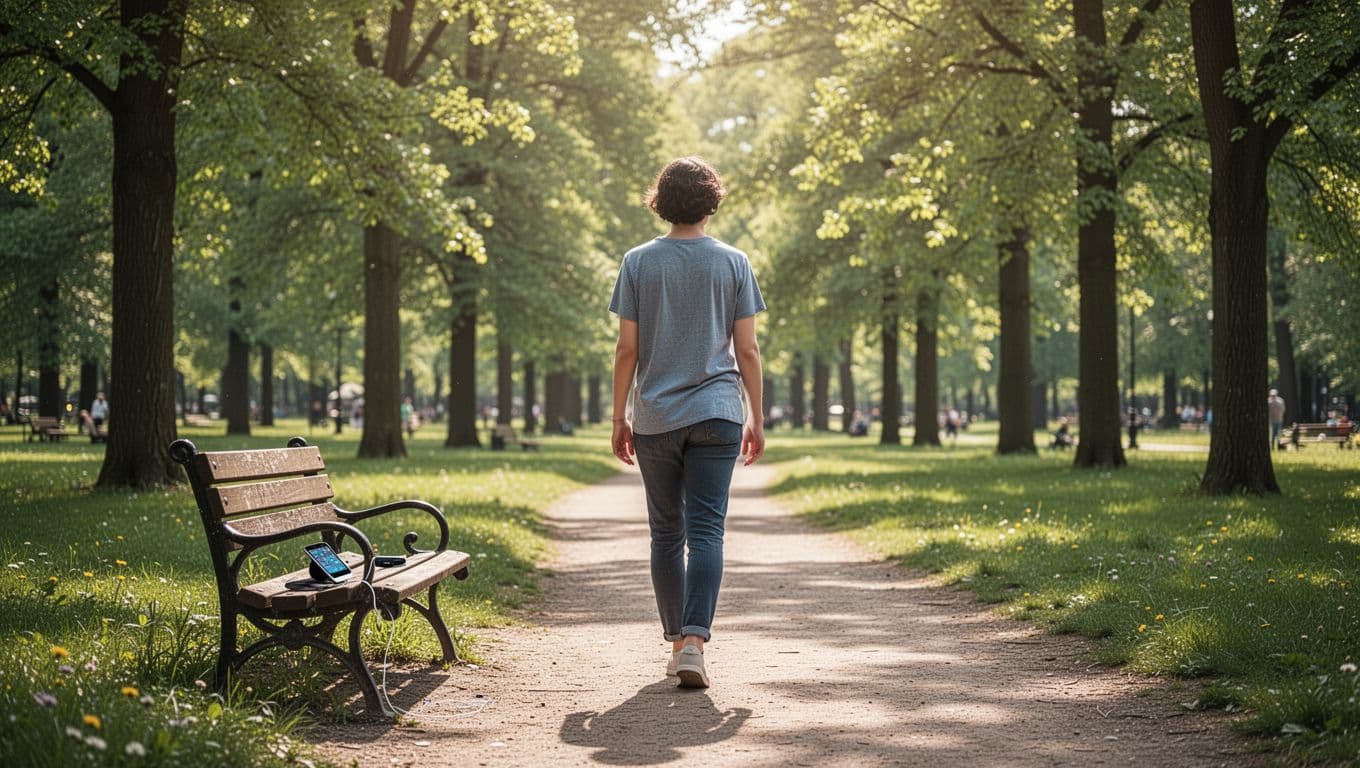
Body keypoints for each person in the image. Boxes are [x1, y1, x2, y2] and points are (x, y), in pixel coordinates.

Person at [609, 156, 766, 690]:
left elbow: (627, 348)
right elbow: (746, 350)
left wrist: (619, 416)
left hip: (655, 414)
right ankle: (696, 643)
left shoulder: (637, 262)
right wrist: (757, 416)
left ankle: (677, 645)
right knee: (706, 531)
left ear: (661, 201)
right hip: (719, 411)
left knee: (666, 533)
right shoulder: (734, 262)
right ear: (711, 200)